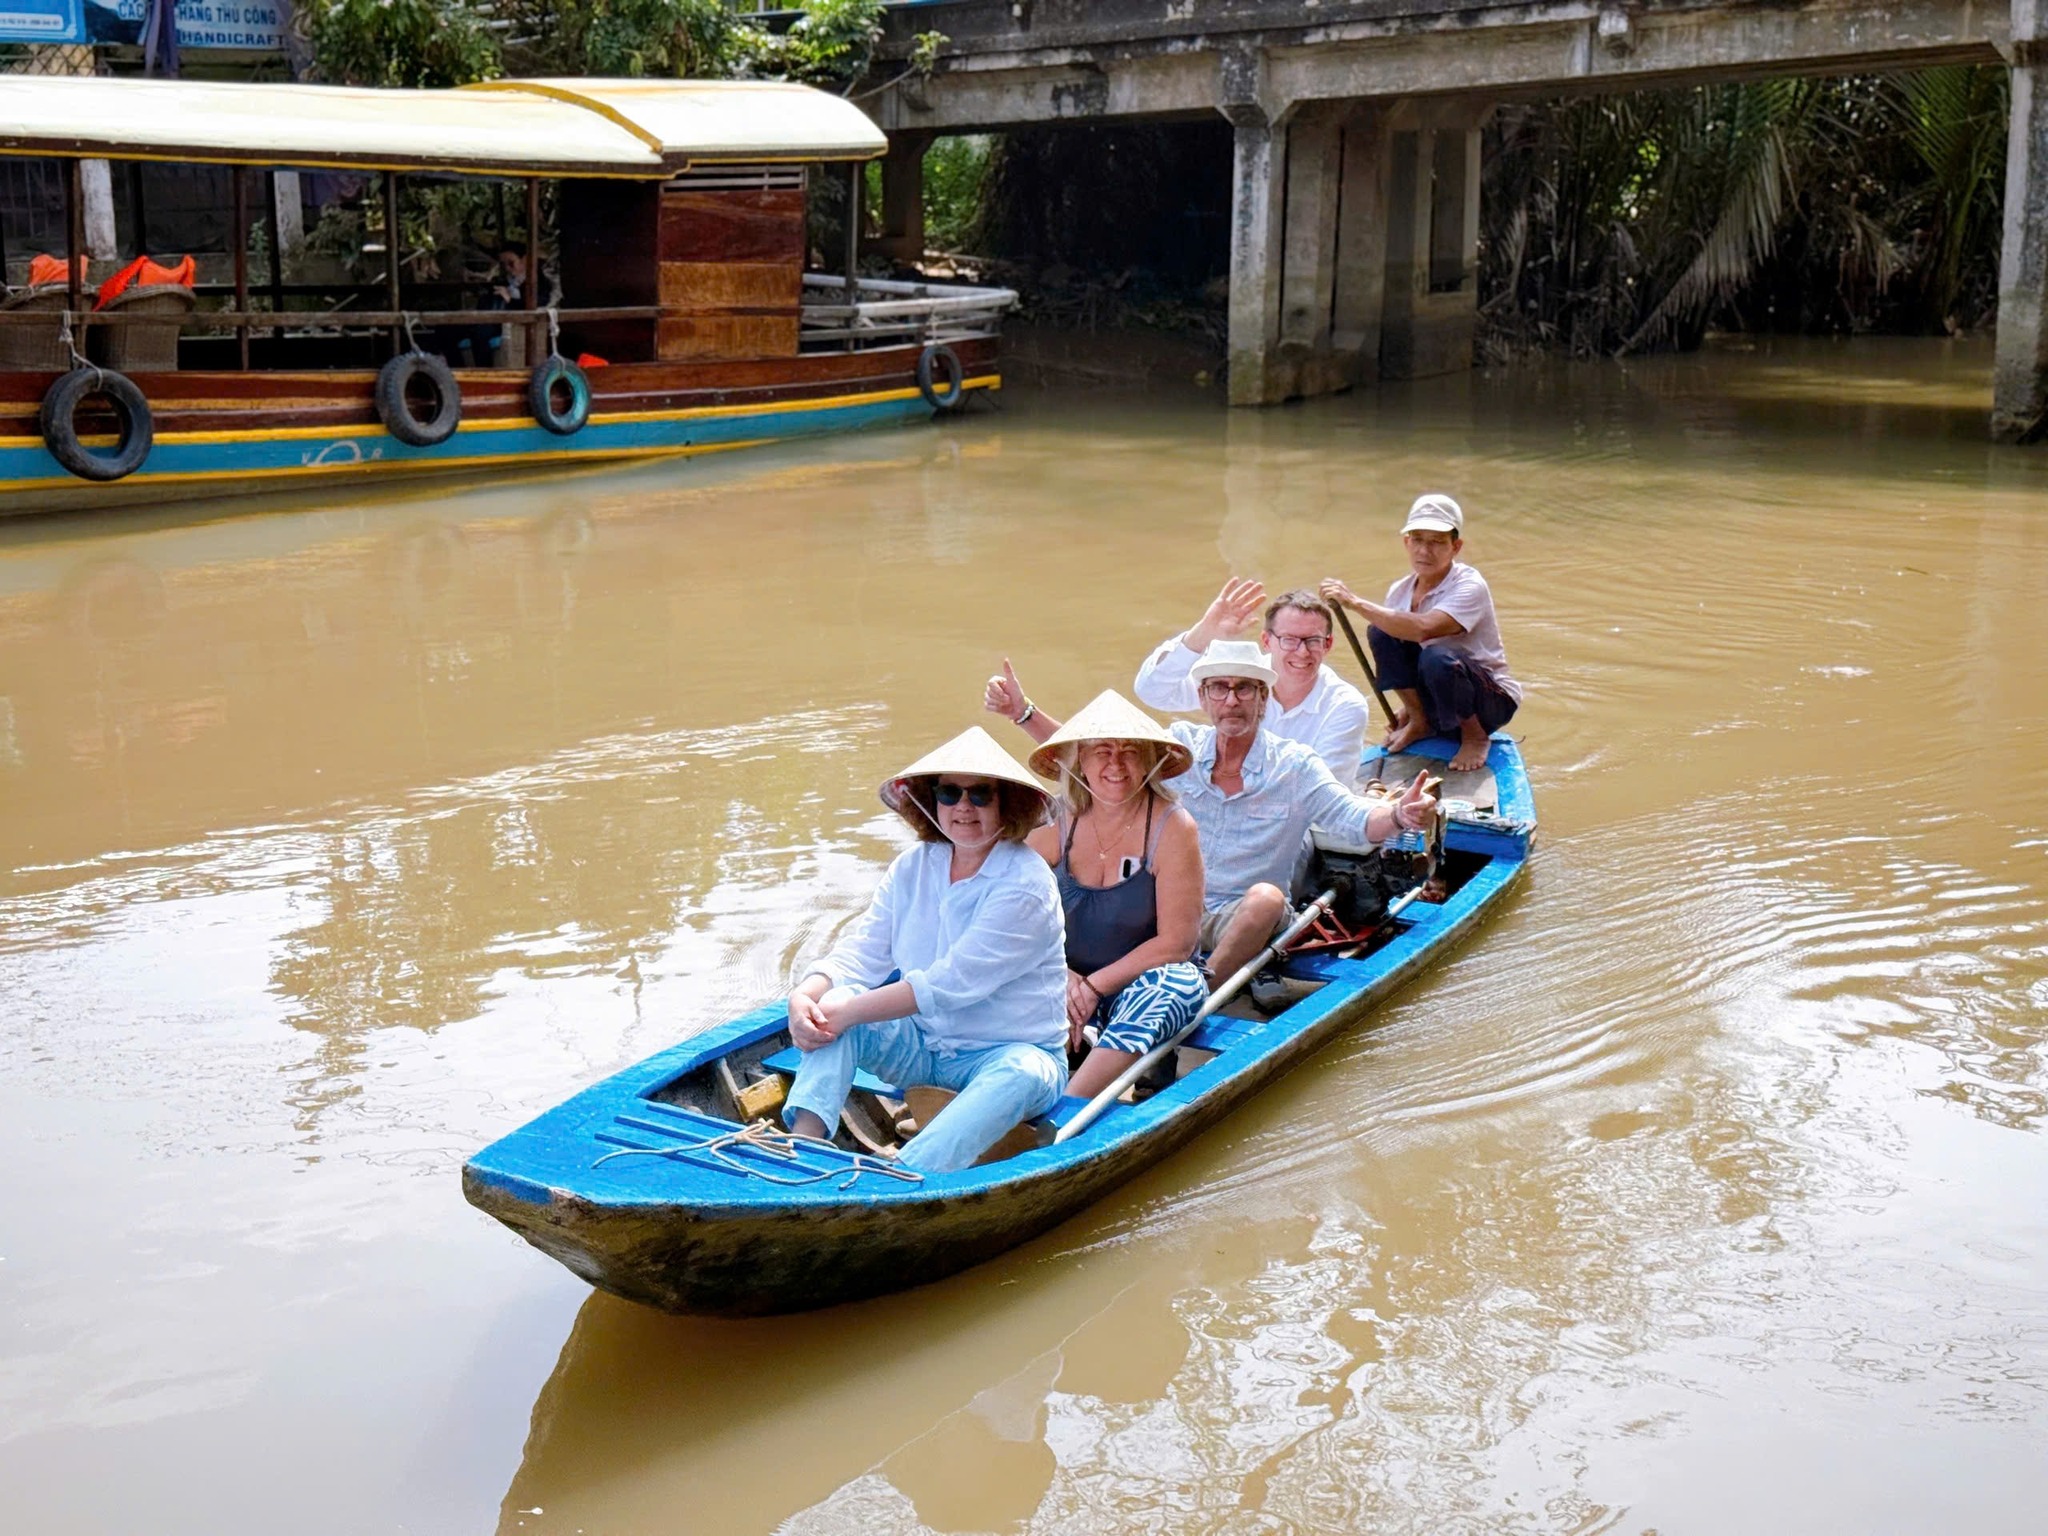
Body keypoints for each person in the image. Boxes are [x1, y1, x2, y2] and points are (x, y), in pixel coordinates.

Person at [990, 644, 1435, 989]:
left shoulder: (1295, 765)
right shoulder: (1177, 748)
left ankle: (1202, 992)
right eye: (1219, 688)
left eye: (1245, 688)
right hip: (1162, 908)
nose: (1232, 700)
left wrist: (1399, 814)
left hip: (1239, 916)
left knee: (1266, 898)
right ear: (1203, 697)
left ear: (1264, 698)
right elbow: (1097, 756)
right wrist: (1022, 713)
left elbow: (1354, 818)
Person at [782, 726, 1069, 1173]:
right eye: (949, 793)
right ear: (931, 800)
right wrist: (805, 995)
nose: (963, 808)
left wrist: (850, 1012)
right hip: (924, 1047)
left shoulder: (1027, 885)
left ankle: (906, 1173)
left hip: (1005, 1053)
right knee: (834, 1000)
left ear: (1007, 803)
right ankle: (801, 1147)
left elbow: (950, 984)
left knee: (1023, 1072)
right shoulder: (912, 867)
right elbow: (863, 954)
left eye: (981, 795)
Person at [1015, 691, 1207, 1100]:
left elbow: (1177, 943)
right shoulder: (1056, 820)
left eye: (1130, 751)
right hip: (1063, 980)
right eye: (1102, 751)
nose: (1115, 764)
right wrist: (1063, 979)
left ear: (1150, 761)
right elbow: (1009, 914)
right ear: (1079, 760)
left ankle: (1068, 1107)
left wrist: (1093, 987)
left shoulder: (1173, 827)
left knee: (1175, 983)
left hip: (1136, 985)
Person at [1321, 494, 1521, 774]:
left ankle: (1474, 735)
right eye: (1417, 540)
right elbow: (1399, 645)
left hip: (1489, 702)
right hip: (1442, 692)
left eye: (1437, 542)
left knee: (1437, 656)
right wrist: (1410, 709)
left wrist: (1354, 603)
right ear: (1407, 543)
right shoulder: (1400, 590)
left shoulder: (1469, 584)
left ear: (1456, 547)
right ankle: (1420, 721)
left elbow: (1425, 629)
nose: (1425, 551)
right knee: (1381, 631)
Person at [1131, 580, 1373, 788]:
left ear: (1327, 645)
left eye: (1313, 641)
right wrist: (1203, 634)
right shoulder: (1236, 679)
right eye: (1288, 640)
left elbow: (1322, 790)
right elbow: (1153, 692)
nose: (1302, 652)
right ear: (1267, 641)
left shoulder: (1346, 705)